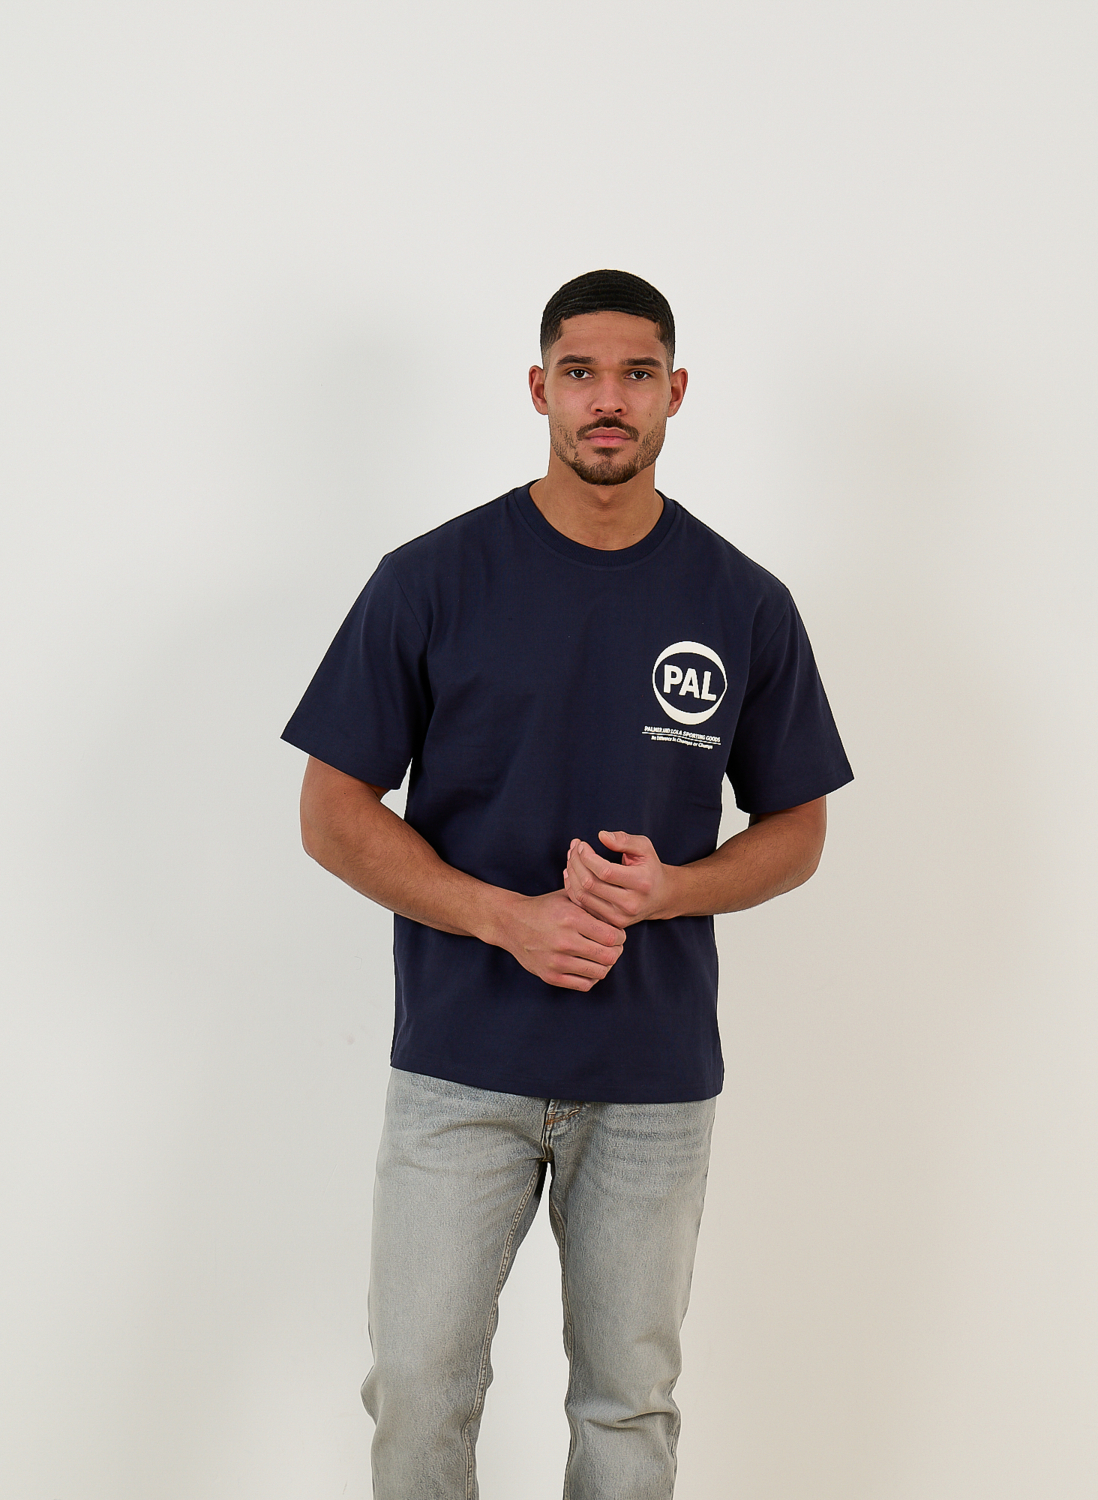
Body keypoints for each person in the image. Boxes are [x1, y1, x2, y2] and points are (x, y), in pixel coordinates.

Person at [282, 268, 853, 1499]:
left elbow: (799, 827)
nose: (608, 400)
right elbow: (332, 813)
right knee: (420, 1389)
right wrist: (508, 921)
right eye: (581, 373)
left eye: (636, 375)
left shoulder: (743, 602)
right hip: (459, 1067)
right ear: (538, 388)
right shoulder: (433, 579)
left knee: (627, 1407)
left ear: (675, 392)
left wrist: (670, 891)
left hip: (650, 1083)